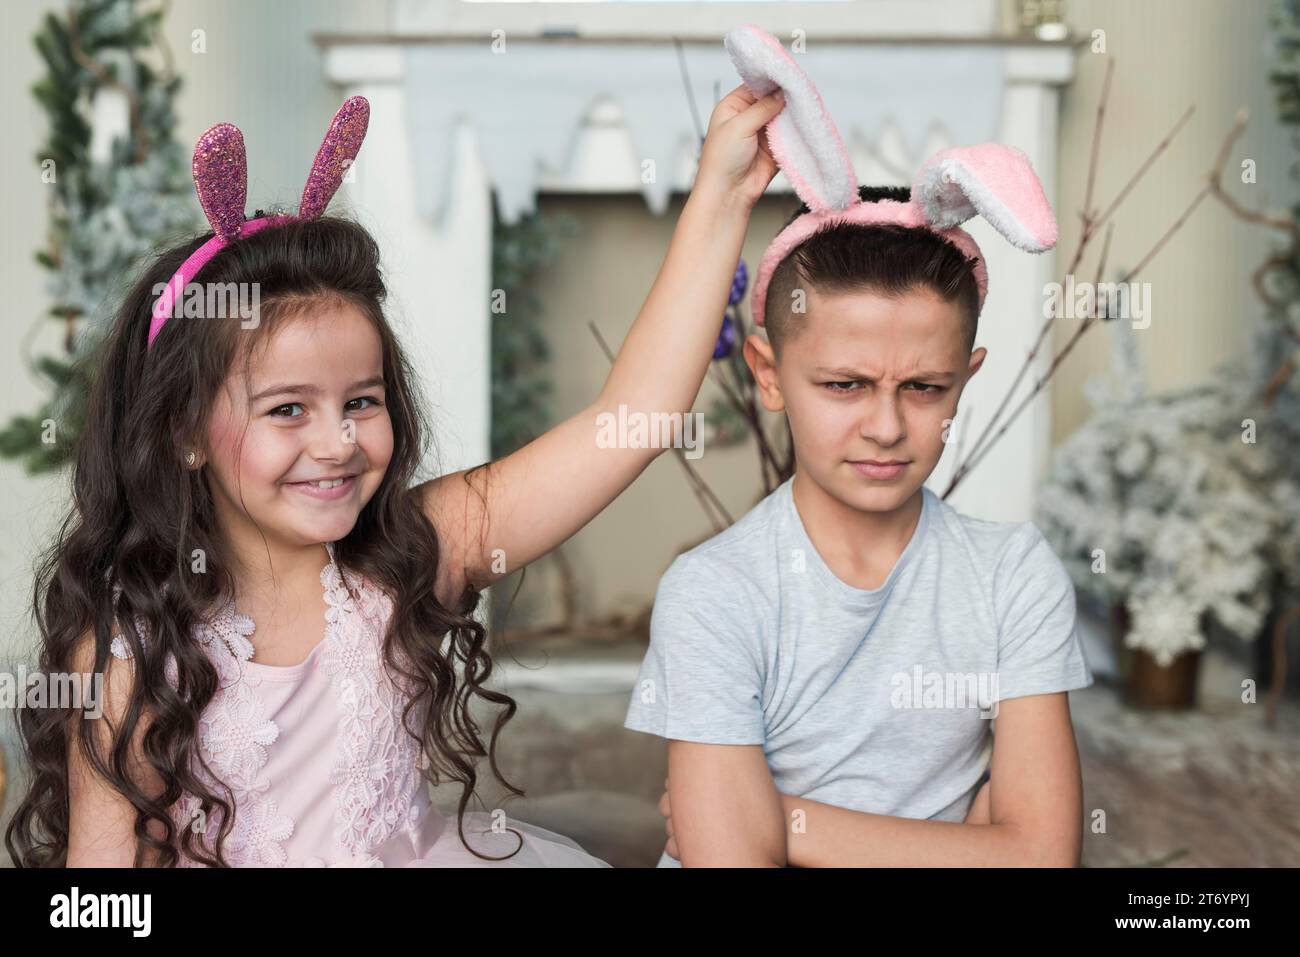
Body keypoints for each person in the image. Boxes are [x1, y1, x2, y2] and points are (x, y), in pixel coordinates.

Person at [6, 84, 786, 867]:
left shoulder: (415, 551)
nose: (337, 440)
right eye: (286, 410)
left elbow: (636, 418)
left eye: (361, 400)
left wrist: (721, 191)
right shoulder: (129, 654)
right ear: (185, 433)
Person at [623, 25, 1093, 868]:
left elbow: (1044, 855)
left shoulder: (1014, 574)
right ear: (768, 373)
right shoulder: (712, 593)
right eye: (843, 386)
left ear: (966, 375)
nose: (885, 426)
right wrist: (974, 844)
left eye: (924, 387)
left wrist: (782, 816)